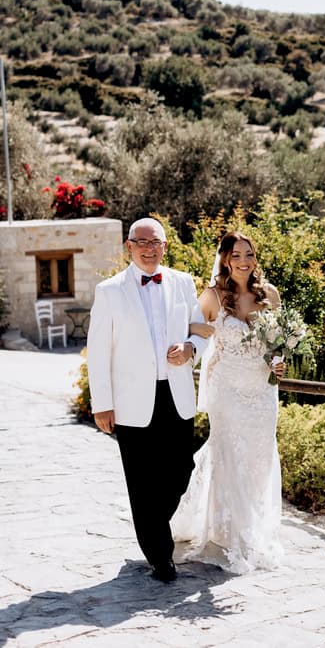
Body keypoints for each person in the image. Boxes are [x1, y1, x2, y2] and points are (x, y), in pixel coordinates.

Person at [86, 217, 213, 583]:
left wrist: (190, 348)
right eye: (141, 242)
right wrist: (102, 404)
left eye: (155, 241)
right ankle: (160, 557)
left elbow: (201, 331)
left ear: (164, 246)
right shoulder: (109, 291)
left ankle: (155, 526)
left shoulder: (183, 282)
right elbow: (98, 352)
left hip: (175, 395)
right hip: (130, 402)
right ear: (129, 246)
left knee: (181, 469)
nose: (148, 248)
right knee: (141, 483)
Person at [171, 231, 285, 574]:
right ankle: (227, 534)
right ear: (224, 259)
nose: (244, 261)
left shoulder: (270, 295)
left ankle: (253, 527)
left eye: (249, 254)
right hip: (227, 389)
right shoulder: (212, 296)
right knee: (230, 456)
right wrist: (193, 344)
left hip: (262, 390)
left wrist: (278, 361)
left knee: (258, 459)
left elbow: (277, 342)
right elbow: (192, 330)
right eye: (236, 255)